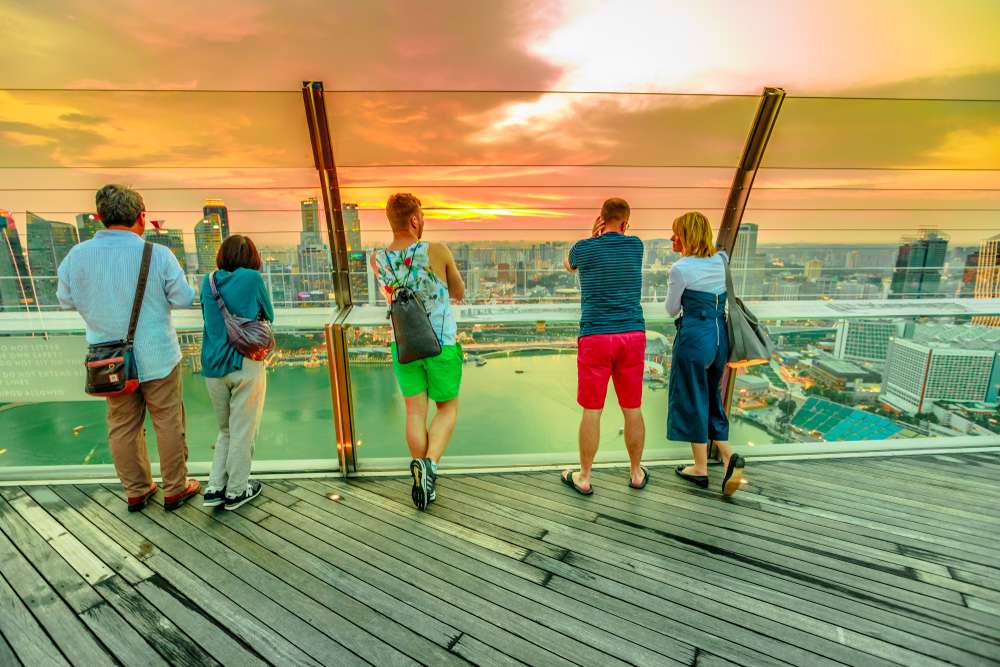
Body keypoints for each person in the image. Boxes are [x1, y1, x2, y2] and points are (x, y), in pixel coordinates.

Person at [57, 184, 200, 512]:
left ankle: (137, 490)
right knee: (168, 421)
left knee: (122, 425)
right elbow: (183, 298)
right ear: (141, 216)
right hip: (158, 355)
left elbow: (65, 301)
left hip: (109, 360)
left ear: (100, 217)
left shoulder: (76, 256)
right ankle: (175, 488)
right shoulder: (157, 255)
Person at [371, 193, 465, 510]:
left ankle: (420, 477)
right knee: (447, 409)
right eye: (421, 216)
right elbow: (459, 292)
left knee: (414, 412)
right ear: (415, 220)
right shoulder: (436, 250)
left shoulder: (377, 259)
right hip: (441, 344)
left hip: (405, 344)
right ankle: (430, 467)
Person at [560, 198, 648, 495]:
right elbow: (622, 240)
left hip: (596, 336)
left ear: (601, 219)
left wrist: (591, 235)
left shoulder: (585, 248)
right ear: (626, 223)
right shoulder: (636, 246)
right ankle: (636, 473)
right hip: (632, 336)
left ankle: (584, 477)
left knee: (592, 411)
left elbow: (569, 264)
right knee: (632, 409)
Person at [666, 211, 746, 496]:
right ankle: (727, 459)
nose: (672, 238)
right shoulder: (721, 260)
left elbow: (672, 309)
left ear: (687, 236)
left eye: (676, 233)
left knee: (690, 400)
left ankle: (701, 468)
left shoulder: (680, 268)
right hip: (719, 339)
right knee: (712, 397)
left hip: (694, 339)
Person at [200, 235, 274, 510]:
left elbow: (209, 319)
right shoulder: (252, 279)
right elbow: (269, 314)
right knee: (244, 431)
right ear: (252, 257)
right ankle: (236, 491)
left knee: (226, 430)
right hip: (245, 363)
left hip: (212, 366)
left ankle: (215, 486)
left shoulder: (207, 282)